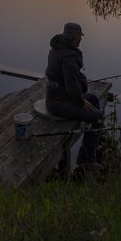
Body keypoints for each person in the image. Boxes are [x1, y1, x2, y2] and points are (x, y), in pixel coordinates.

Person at [45, 21, 104, 168]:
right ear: (73, 37)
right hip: (59, 104)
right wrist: (81, 102)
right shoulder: (69, 57)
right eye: (79, 36)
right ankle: (87, 160)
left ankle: (87, 157)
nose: (81, 39)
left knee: (94, 99)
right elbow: (72, 87)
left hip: (56, 97)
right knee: (97, 117)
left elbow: (72, 79)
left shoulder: (55, 49)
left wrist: (82, 91)